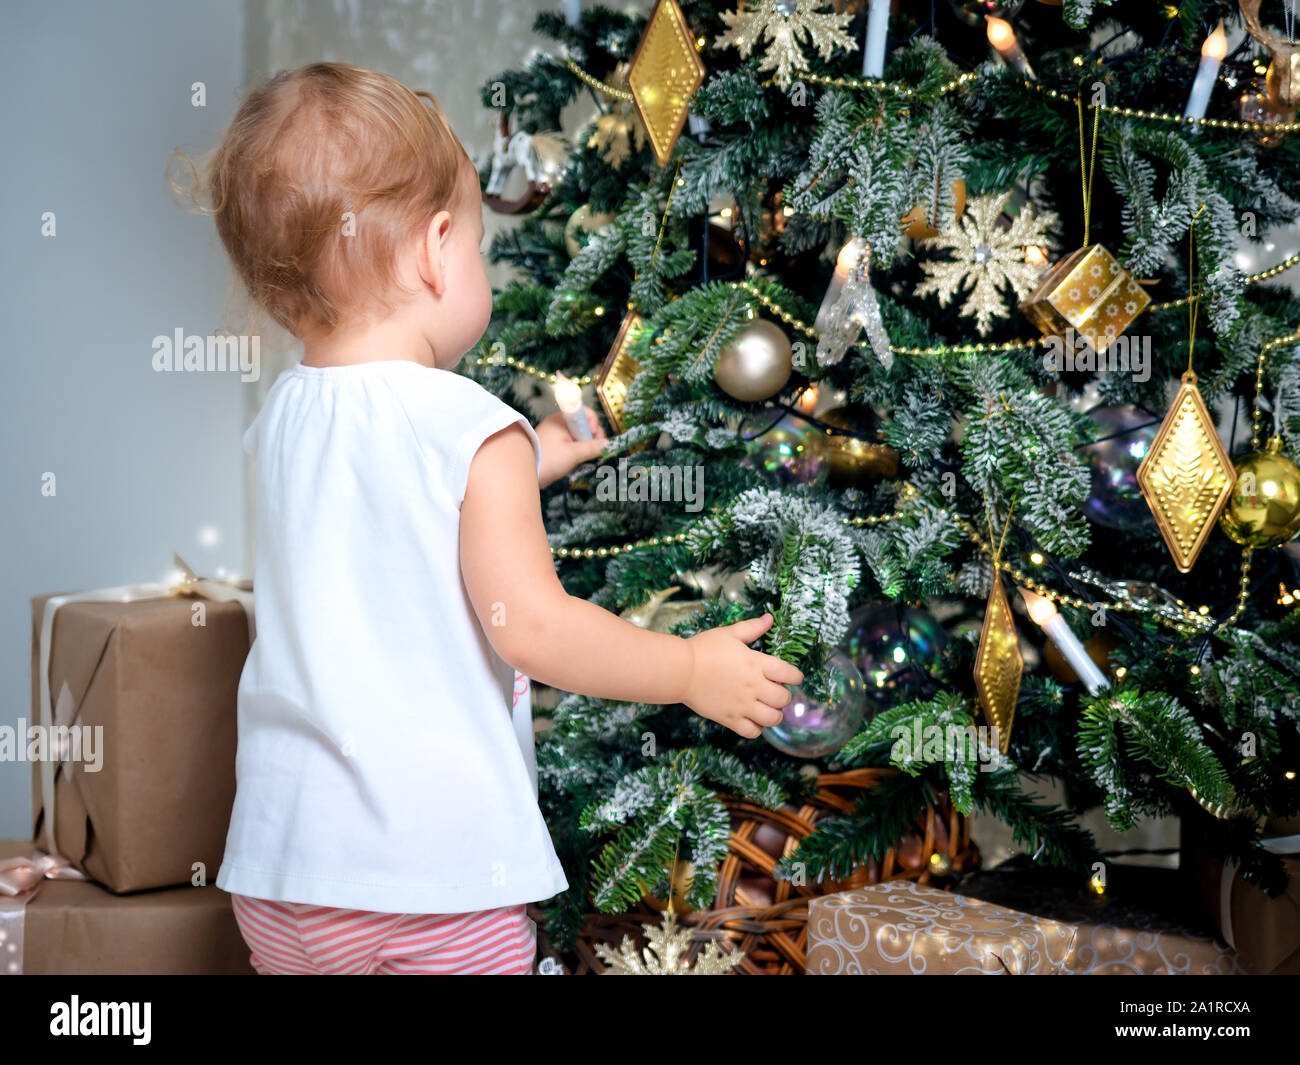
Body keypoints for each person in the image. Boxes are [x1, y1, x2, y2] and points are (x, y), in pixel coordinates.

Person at [189, 62, 801, 975]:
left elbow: (388, 508)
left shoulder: (283, 415)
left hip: (282, 873)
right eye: (475, 245)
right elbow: (538, 630)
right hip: (428, 877)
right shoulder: (472, 429)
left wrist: (532, 456)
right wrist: (685, 666)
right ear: (438, 249)